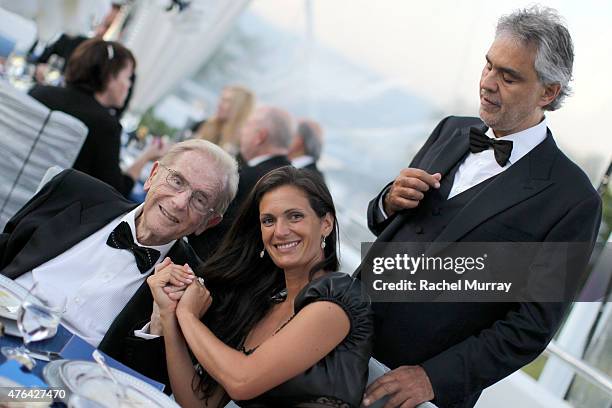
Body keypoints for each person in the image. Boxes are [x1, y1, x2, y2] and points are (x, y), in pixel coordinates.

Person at [360, 6, 602, 408]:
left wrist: (432, 379)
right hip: (343, 337)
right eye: (488, 66)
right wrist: (388, 201)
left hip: (417, 392)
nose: (488, 84)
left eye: (508, 77)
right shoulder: (451, 129)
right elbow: (380, 222)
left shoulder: (574, 199)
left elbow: (531, 326)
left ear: (548, 92)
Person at [0, 139, 239, 386]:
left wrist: (159, 324)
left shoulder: (191, 290)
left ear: (208, 223)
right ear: (153, 176)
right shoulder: (73, 190)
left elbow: (142, 385)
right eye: (177, 181)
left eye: (199, 200)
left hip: (62, 385)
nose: (179, 202)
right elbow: (6, 246)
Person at [147, 166, 373, 407]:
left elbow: (241, 381)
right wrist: (171, 314)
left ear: (326, 223)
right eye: (268, 220)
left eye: (295, 216)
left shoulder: (339, 296)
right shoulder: (264, 302)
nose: (281, 231)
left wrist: (188, 315)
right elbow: (200, 403)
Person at [29, 38, 159, 198]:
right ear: (111, 78)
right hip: (46, 211)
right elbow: (114, 195)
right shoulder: (105, 125)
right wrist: (146, 157)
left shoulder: (39, 93)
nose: (129, 85)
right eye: (128, 77)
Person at [189, 105, 294, 260]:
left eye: (247, 126)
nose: (241, 132)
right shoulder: (289, 179)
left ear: (260, 136)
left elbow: (212, 231)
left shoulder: (250, 180)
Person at [193, 84, 255, 156]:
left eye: (227, 101)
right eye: (221, 99)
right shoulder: (203, 124)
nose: (219, 104)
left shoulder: (243, 144)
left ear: (240, 108)